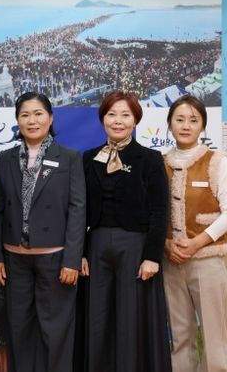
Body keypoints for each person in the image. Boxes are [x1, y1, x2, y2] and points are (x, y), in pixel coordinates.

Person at [0, 92, 86, 372]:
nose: (32, 120)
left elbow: (78, 210)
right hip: (14, 259)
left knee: (55, 332)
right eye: (25, 115)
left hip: (55, 259)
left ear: (50, 118)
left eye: (38, 113)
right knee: (19, 330)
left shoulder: (69, 158)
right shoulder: (5, 159)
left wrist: (71, 260)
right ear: (17, 121)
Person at [81, 90, 171, 371]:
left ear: (135, 120)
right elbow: (79, 210)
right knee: (98, 319)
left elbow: (160, 211)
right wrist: (80, 253)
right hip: (96, 246)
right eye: (111, 114)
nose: (117, 121)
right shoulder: (88, 158)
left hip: (135, 247)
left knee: (130, 319)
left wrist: (152, 257)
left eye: (125, 115)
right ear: (102, 119)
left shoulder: (150, 158)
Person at [162, 95, 227, 372]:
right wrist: (167, 245)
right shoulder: (160, 163)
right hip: (171, 263)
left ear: (203, 125)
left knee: (214, 337)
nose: (186, 126)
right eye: (179, 119)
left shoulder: (216, 161)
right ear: (169, 124)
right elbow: (153, 215)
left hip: (207, 261)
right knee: (180, 338)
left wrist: (196, 243)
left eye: (193, 120)